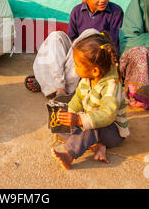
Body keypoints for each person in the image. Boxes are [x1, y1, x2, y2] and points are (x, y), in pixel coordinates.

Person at [25, 0, 124, 98]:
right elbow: (71, 43)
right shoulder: (77, 11)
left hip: (97, 59)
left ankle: (57, 86)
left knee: (90, 34)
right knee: (56, 36)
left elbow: (113, 45)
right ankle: (58, 88)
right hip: (76, 60)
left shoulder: (115, 12)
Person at [50, 31, 129, 170]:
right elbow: (78, 99)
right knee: (59, 126)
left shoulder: (111, 84)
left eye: (77, 65)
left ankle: (70, 154)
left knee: (91, 128)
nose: (74, 68)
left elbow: (108, 115)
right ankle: (96, 144)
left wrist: (79, 120)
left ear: (95, 71)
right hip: (90, 121)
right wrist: (69, 114)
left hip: (112, 130)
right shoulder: (87, 79)